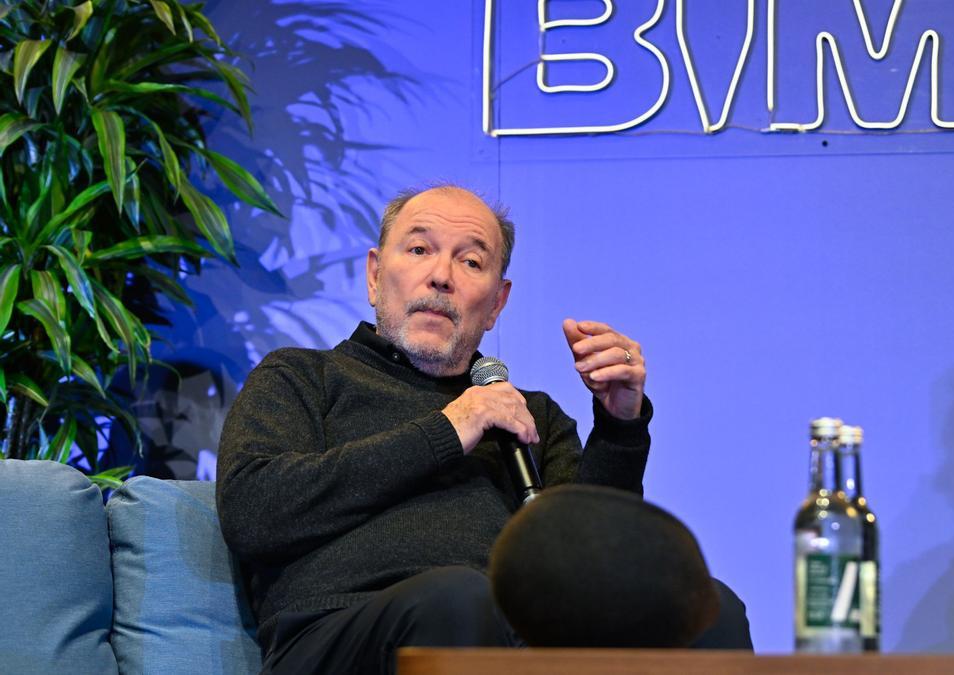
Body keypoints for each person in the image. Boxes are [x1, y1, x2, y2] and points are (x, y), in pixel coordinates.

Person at [216, 185, 751, 674]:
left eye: (471, 261)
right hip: (337, 637)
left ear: (496, 303)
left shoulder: (525, 414)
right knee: (457, 597)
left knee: (707, 607)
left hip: (518, 643)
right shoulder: (302, 376)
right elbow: (254, 511)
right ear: (376, 276)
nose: (442, 276)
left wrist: (619, 425)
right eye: (420, 250)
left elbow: (590, 564)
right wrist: (450, 429)